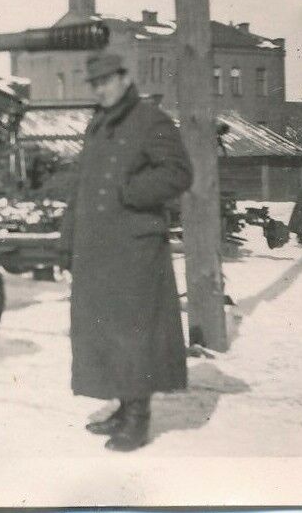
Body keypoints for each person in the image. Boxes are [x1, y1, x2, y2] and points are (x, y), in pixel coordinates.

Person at [58, 52, 193, 452]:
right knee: (105, 331)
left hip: (134, 248)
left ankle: (138, 417)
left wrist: (130, 192)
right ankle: (123, 405)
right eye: (94, 83)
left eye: (106, 81)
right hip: (97, 248)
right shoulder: (98, 124)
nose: (100, 89)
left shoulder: (150, 119)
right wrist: (66, 243)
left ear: (124, 78)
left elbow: (178, 172)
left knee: (134, 332)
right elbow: (81, 188)